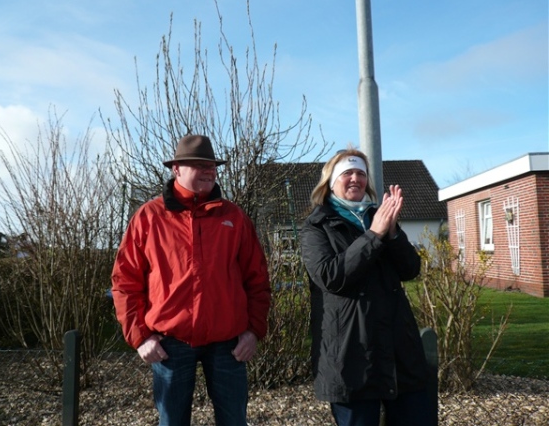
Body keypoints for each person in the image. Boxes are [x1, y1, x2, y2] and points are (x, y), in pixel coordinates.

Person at [111, 135, 271, 426]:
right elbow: (125, 281)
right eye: (199, 165)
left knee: (234, 421)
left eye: (211, 166)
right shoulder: (149, 217)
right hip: (170, 343)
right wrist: (140, 336)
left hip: (228, 343)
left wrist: (253, 331)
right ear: (176, 169)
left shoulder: (234, 217)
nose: (209, 171)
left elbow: (257, 279)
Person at [300, 148, 433, 426]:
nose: (355, 179)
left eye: (361, 173)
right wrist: (374, 235)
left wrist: (392, 233)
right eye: (347, 173)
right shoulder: (317, 226)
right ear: (330, 182)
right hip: (351, 357)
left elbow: (410, 269)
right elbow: (330, 276)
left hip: (399, 352)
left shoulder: (379, 217)